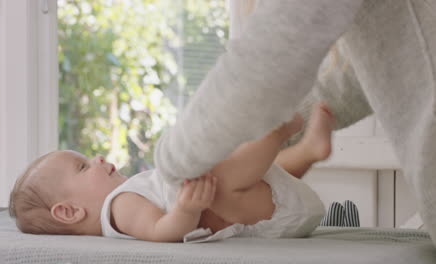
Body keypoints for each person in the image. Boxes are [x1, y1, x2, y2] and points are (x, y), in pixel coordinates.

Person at [154, 0, 436, 246]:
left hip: (265, 198)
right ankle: (303, 148)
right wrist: (285, 126)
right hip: (273, 194)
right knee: (252, 177)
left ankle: (298, 146)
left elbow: (264, 65)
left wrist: (170, 162)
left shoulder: (124, 202)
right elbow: (363, 77)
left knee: (226, 186)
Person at [9, 103, 334, 243]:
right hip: (256, 214)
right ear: (69, 211)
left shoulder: (131, 193)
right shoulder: (118, 208)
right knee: (219, 180)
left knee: (246, 174)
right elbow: (162, 231)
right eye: (82, 166)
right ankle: (277, 131)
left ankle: (308, 151)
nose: (96, 158)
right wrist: (188, 209)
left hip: (268, 203)